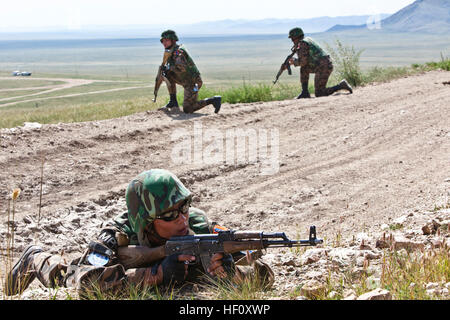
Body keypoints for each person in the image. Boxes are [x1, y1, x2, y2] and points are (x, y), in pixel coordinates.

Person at [4, 169, 273, 297]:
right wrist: (155, 274)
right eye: (169, 214)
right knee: (62, 274)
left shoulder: (200, 226)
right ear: (145, 222)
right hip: (99, 268)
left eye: (185, 207)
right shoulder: (115, 237)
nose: (182, 218)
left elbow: (265, 275)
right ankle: (34, 257)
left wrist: (233, 273)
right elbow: (84, 283)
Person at [158, 30, 222, 114]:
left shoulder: (178, 52)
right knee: (166, 74)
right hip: (185, 80)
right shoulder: (171, 52)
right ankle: (173, 101)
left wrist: (169, 68)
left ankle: (213, 100)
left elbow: (182, 68)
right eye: (163, 41)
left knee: (188, 109)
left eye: (166, 40)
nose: (164, 43)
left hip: (193, 82)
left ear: (173, 40)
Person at [286, 27, 353, 99]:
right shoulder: (306, 40)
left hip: (324, 66)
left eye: (293, 38)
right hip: (321, 65)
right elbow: (304, 61)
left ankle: (341, 86)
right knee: (304, 68)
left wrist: (293, 62)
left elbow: (303, 62)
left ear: (297, 36)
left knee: (320, 93)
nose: (292, 40)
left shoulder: (303, 43)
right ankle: (304, 92)